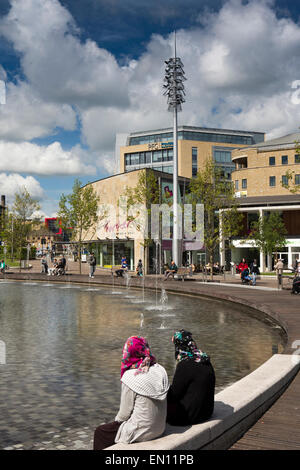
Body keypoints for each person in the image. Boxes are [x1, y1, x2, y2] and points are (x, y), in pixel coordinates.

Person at [93, 336, 169, 450]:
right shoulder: (159, 370)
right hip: (160, 428)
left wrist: (115, 424)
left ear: (130, 352)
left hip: (142, 432)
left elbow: (123, 415)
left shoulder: (130, 376)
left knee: (100, 432)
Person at [167, 329, 215, 426]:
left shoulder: (185, 365)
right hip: (207, 412)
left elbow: (174, 394)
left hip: (190, 416)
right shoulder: (204, 359)